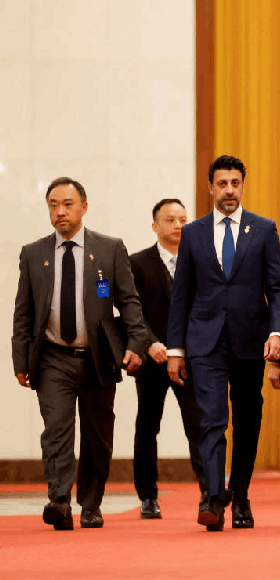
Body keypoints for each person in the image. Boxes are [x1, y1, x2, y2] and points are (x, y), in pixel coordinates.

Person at [13, 177, 145, 530]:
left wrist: (135, 344)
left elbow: (129, 302)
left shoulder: (109, 249)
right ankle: (59, 500)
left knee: (97, 434)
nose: (60, 211)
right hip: (51, 357)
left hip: (98, 356)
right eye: (53, 205)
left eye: (68, 204)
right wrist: (20, 360)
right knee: (56, 429)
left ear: (84, 207)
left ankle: (91, 503)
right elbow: (23, 312)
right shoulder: (33, 253)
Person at [167, 155, 280, 531]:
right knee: (212, 419)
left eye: (235, 183)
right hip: (205, 342)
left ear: (242, 185)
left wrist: (277, 333)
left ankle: (241, 495)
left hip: (251, 340)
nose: (229, 190)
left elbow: (279, 288)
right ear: (210, 188)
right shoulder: (193, 233)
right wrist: (175, 349)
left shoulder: (263, 229)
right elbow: (181, 294)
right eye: (222, 183)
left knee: (248, 420)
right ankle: (212, 497)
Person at [130, 198, 206, 519]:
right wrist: (149, 343)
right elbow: (131, 310)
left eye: (183, 220)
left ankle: (210, 491)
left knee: (199, 425)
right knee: (148, 426)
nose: (178, 225)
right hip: (153, 359)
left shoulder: (200, 260)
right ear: (155, 226)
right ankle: (148, 496)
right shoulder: (137, 263)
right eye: (170, 220)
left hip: (191, 359)